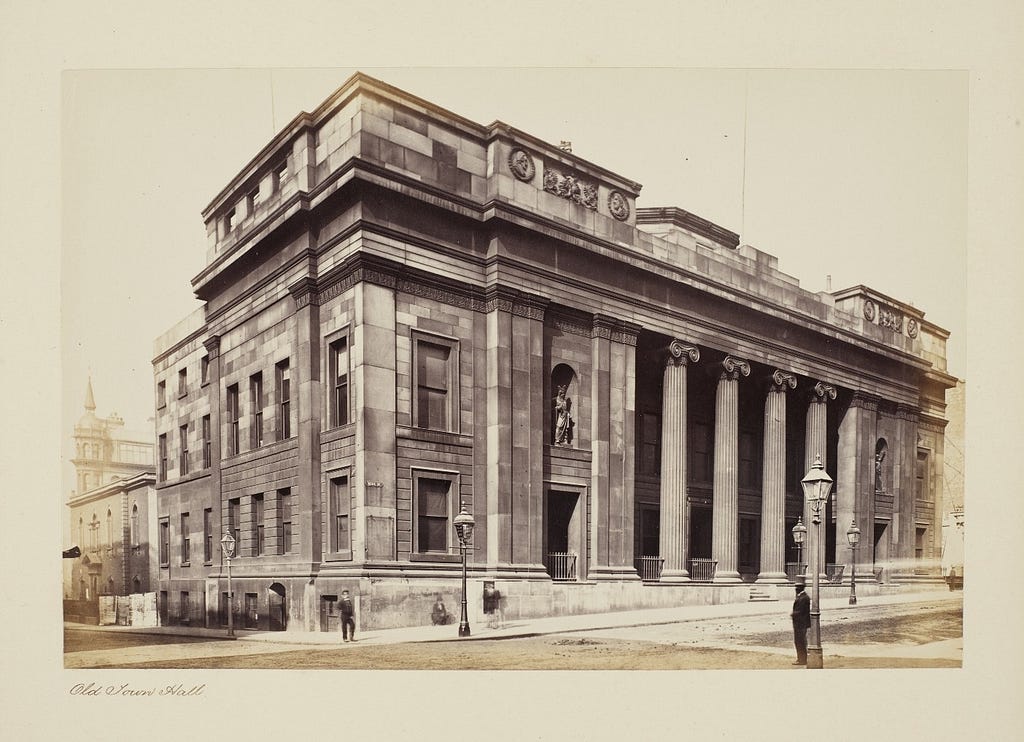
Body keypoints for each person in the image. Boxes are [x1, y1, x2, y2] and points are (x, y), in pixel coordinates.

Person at [790, 577, 811, 665]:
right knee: (799, 641)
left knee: (800, 642)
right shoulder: (802, 597)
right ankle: (801, 658)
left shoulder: (803, 598)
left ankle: (802, 660)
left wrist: (793, 614)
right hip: (800, 623)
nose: (796, 589)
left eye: (797, 587)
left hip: (801, 624)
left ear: (801, 588)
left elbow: (800, 611)